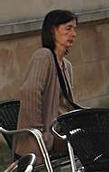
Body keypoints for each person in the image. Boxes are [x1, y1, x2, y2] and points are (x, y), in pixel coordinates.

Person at [15, 10, 79, 163]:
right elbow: (29, 93)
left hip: (61, 131)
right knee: (97, 138)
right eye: (68, 28)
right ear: (52, 30)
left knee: (101, 132)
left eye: (75, 29)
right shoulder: (43, 56)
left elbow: (67, 105)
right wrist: (39, 133)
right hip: (47, 137)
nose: (74, 34)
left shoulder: (66, 66)